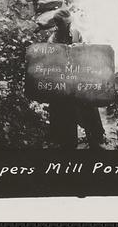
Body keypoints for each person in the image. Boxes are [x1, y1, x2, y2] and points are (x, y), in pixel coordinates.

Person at [47, 9, 106, 150]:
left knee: (89, 106)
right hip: (63, 84)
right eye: (65, 25)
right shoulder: (52, 41)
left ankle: (95, 139)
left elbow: (85, 54)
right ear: (57, 25)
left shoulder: (76, 33)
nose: (68, 27)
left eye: (69, 24)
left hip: (78, 79)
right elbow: (51, 67)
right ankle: (68, 143)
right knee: (66, 113)